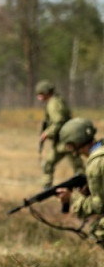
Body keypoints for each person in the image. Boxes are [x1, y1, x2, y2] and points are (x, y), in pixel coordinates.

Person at [55, 118, 104, 247]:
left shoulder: (96, 162)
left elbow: (99, 206)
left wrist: (73, 198)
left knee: (99, 230)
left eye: (69, 145)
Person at [36, 80, 84, 188]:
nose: (39, 97)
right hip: (62, 141)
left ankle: (87, 187)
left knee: (78, 167)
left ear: (45, 93)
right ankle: (46, 189)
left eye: (40, 94)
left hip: (66, 141)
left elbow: (59, 121)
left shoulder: (53, 103)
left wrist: (47, 133)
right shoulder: (56, 101)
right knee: (49, 163)